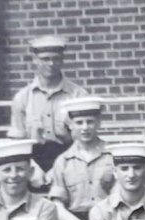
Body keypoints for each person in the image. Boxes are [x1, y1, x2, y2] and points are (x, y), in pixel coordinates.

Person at [8, 35, 88, 174]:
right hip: (33, 163)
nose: (51, 63)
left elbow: (85, 141)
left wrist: (59, 168)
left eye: (56, 58)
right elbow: (17, 143)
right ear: (35, 60)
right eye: (45, 59)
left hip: (71, 162)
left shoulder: (78, 95)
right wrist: (34, 170)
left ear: (62, 60)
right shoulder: (23, 97)